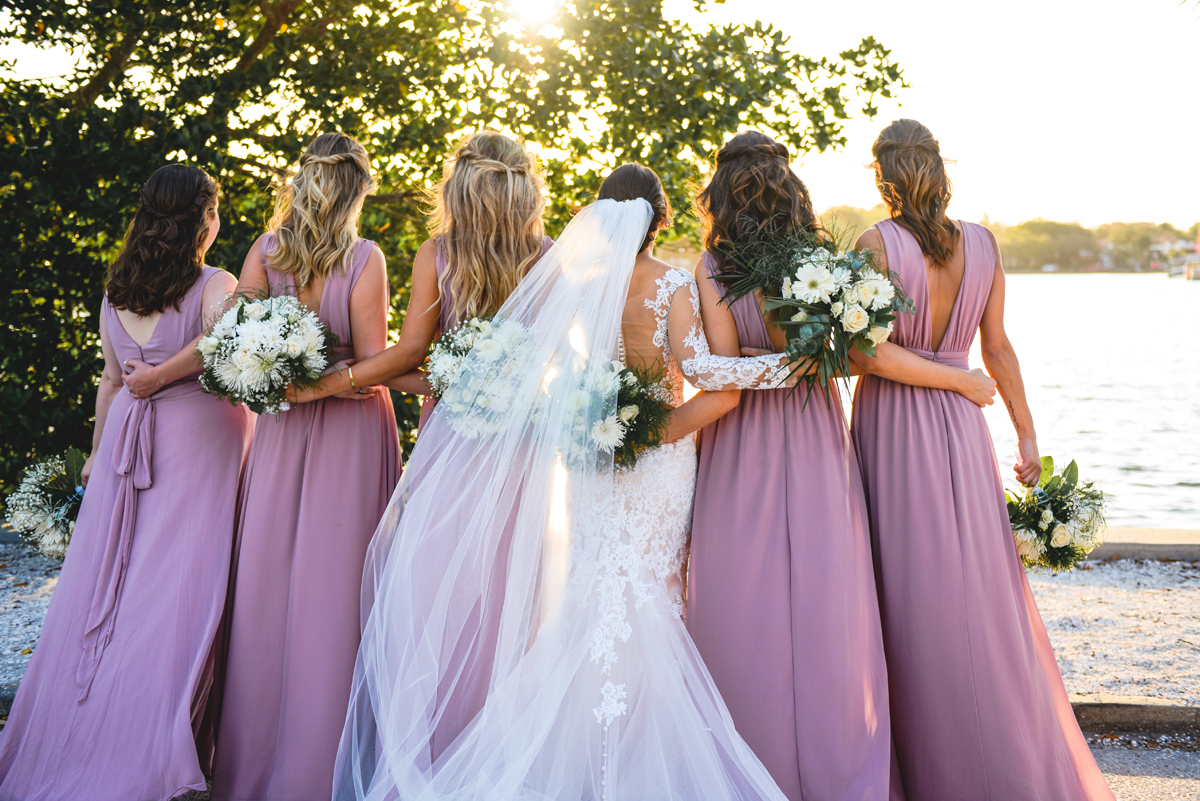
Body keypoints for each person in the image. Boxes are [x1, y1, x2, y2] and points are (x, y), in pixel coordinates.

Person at [332, 165, 805, 800]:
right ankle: (634, 762)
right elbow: (701, 370)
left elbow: (544, 371)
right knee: (653, 595)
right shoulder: (672, 282)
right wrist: (785, 367)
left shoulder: (572, 287)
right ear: (662, 220)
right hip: (658, 464)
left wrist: (595, 429)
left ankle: (574, 760)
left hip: (588, 454)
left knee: (586, 594)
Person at [687, 130, 999, 801]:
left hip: (739, 440)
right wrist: (801, 362)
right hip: (814, 431)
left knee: (740, 595)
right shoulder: (821, 261)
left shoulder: (709, 268)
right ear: (789, 188)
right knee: (833, 600)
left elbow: (721, 370)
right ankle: (842, 768)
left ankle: (745, 767)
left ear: (720, 192)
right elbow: (845, 346)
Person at [850, 119, 1114, 800]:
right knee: (964, 588)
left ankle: (926, 762)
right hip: (965, 430)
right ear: (939, 169)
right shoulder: (985, 245)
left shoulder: (875, 244)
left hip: (895, 423)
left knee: (903, 590)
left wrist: (974, 390)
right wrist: (1025, 434)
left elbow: (863, 354)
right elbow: (996, 350)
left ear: (884, 175)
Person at [0, 165, 253, 801]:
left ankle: (94, 725)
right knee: (178, 587)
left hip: (125, 443)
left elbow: (112, 380)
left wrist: (95, 454)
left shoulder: (119, 287)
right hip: (198, 441)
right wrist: (167, 373)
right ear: (204, 217)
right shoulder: (215, 283)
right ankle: (154, 738)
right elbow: (227, 342)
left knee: (119, 584)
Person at [210, 133, 402, 801]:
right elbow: (374, 361)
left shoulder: (266, 251)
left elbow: (233, 344)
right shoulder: (365, 258)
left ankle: (255, 762)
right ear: (356, 190)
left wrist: (276, 380)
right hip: (347, 428)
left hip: (282, 427)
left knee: (271, 581)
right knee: (337, 589)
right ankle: (324, 766)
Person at [291, 130, 552, 417]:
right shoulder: (549, 255)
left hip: (450, 424)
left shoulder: (438, 253)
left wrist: (336, 380)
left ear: (458, 191)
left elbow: (410, 354)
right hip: (527, 421)